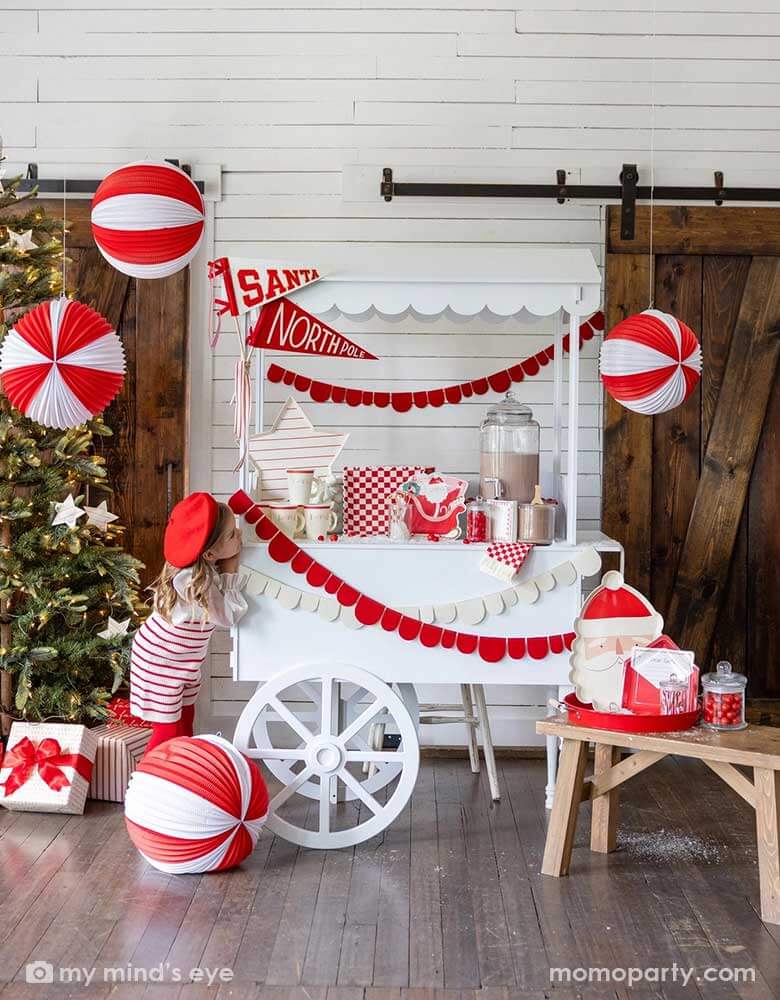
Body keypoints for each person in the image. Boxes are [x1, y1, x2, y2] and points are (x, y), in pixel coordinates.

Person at [130, 492, 248, 752]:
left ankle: (182, 771)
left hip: (177, 661)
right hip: (161, 662)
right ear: (208, 554)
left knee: (184, 721)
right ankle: (150, 780)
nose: (240, 535)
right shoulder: (194, 581)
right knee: (167, 731)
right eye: (232, 535)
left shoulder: (200, 570)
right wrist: (230, 571)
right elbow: (229, 616)